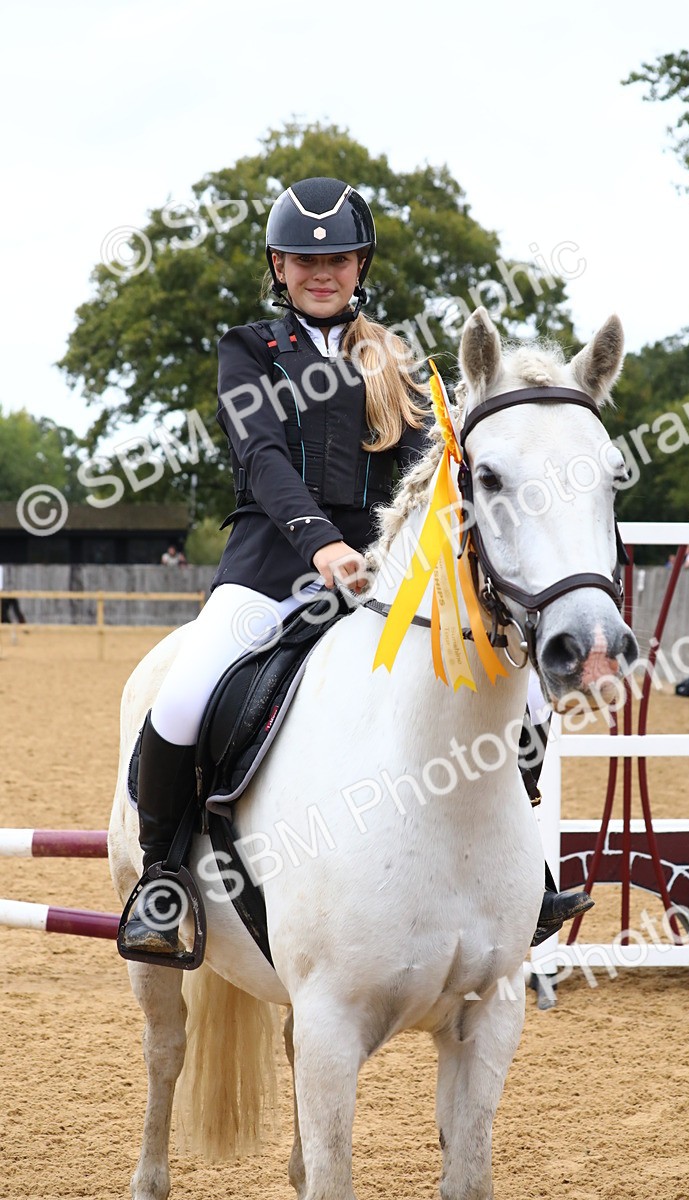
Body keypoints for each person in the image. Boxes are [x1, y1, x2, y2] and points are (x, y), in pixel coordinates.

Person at [120, 175, 588, 957]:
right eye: (305, 260)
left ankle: (522, 874)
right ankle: (163, 884)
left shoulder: (398, 362)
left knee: (527, 691)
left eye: (338, 257)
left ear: (361, 264)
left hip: (386, 577)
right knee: (182, 695)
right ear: (278, 266)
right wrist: (319, 543)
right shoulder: (248, 351)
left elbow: (432, 468)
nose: (322, 271)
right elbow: (263, 458)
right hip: (269, 566)